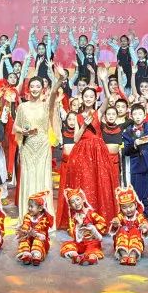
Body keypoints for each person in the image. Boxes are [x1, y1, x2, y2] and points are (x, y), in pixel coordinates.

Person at [57, 87, 119, 229]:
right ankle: (84, 218)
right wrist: (84, 125)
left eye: (91, 96)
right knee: (85, 181)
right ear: (82, 98)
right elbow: (76, 138)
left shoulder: (98, 113)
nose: (89, 98)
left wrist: (104, 81)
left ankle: (99, 217)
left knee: (99, 181)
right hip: (82, 152)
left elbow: (108, 99)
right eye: (86, 96)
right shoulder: (78, 116)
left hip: (98, 152)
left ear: (95, 98)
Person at [13, 72, 62, 217]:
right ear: (28, 89)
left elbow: (53, 93)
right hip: (27, 147)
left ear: (42, 89)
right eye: (32, 86)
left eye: (38, 86)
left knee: (42, 177)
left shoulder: (47, 106)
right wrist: (23, 131)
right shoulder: (22, 107)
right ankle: (27, 214)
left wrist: (60, 79)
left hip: (43, 147)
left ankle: (44, 215)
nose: (35, 89)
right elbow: (15, 126)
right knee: (27, 177)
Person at [122, 101, 148, 206]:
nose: (137, 116)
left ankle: (147, 212)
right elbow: (126, 151)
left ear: (144, 116)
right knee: (136, 193)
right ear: (131, 116)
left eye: (140, 114)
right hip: (136, 166)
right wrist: (134, 144)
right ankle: (138, 211)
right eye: (135, 114)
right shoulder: (127, 133)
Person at [60, 187, 106, 265]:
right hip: (80, 242)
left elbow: (103, 223)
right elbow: (72, 232)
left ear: (83, 199)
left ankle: (91, 258)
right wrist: (78, 226)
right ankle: (76, 257)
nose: (76, 203)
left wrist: (92, 228)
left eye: (78, 199)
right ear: (70, 205)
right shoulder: (74, 218)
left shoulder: (90, 213)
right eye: (73, 202)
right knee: (68, 245)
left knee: (93, 249)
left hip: (91, 241)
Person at [109, 185, 148, 266]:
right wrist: (115, 224)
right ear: (120, 208)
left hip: (135, 239)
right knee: (121, 232)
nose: (128, 210)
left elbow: (144, 223)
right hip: (123, 238)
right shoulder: (121, 216)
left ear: (135, 205)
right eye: (124, 208)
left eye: (131, 206)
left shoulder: (139, 216)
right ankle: (124, 255)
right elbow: (117, 220)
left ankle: (133, 256)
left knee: (135, 232)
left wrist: (145, 227)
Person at [16, 190, 54, 266]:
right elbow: (25, 226)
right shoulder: (28, 216)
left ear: (40, 208)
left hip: (41, 241)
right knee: (24, 238)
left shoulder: (44, 219)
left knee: (38, 239)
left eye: (31, 206)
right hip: (30, 238)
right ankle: (26, 254)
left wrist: (34, 233)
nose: (29, 208)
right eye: (28, 206)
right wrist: (22, 231)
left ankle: (36, 255)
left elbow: (40, 231)